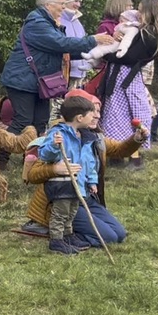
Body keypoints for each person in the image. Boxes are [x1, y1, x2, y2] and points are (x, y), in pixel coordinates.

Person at [0, 0, 112, 170]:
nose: (64, 8)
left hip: (37, 82)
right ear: (48, 5)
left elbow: (63, 51)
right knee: (22, 121)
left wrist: (94, 53)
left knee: (40, 121)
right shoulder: (37, 23)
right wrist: (93, 40)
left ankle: (32, 158)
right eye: (61, 4)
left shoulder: (49, 24)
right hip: (22, 80)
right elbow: (61, 44)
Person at [21, 89, 141, 245]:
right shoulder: (56, 136)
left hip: (86, 197)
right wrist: (55, 169)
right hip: (62, 198)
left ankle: (77, 231)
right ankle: (60, 234)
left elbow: (119, 150)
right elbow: (32, 174)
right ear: (79, 115)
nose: (97, 115)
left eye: (98, 110)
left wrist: (136, 139)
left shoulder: (93, 138)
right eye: (94, 111)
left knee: (119, 234)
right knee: (109, 238)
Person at [97, 0, 158, 169]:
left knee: (122, 115)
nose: (138, 13)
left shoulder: (149, 34)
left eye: (141, 10)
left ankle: (129, 157)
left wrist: (105, 54)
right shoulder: (149, 31)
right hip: (125, 77)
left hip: (125, 78)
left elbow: (129, 57)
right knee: (125, 115)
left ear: (150, 12)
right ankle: (120, 155)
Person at [37, 97, 99, 254]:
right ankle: (56, 240)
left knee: (71, 211)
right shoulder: (58, 133)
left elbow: (89, 162)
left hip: (78, 183)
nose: (95, 118)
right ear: (80, 117)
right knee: (61, 212)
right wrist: (54, 146)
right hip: (62, 183)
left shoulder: (84, 137)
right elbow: (44, 155)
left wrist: (92, 181)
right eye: (91, 115)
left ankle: (68, 235)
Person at [61, 0, 92, 88]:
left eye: (79, 1)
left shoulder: (77, 21)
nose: (78, 5)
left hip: (80, 73)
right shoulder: (58, 20)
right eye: (75, 1)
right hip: (65, 72)